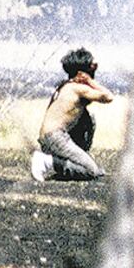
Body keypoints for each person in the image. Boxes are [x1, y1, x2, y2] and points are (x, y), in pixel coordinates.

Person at [30, 48, 113, 182]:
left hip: (51, 138)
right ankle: (47, 162)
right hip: (55, 138)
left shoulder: (66, 86)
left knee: (88, 118)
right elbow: (108, 96)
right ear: (82, 72)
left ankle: (77, 162)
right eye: (92, 66)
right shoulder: (77, 88)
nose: (94, 69)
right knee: (90, 171)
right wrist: (90, 82)